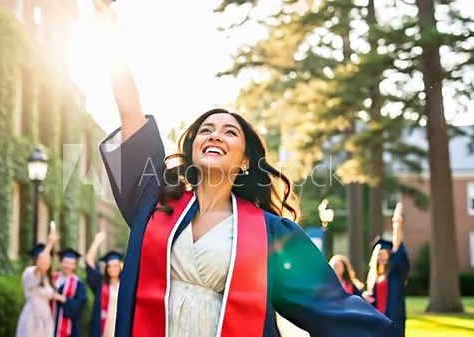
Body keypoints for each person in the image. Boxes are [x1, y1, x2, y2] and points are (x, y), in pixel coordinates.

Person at [94, 2, 391, 337]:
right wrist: (107, 27)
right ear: (192, 148)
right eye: (206, 130)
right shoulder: (156, 203)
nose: (215, 135)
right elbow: (131, 112)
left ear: (246, 160)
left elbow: (331, 307)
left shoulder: (269, 233)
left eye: (229, 132)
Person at [362, 203, 410, 337]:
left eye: (384, 253)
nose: (381, 256)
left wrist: (397, 225)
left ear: (389, 256)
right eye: (378, 254)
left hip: (392, 321)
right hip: (378, 322)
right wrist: (365, 296)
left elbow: (399, 252)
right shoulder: (375, 277)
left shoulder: (396, 273)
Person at [16, 232, 64, 337]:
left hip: (46, 316)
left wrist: (61, 298)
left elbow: (49, 293)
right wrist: (50, 244)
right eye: (43, 258)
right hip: (32, 316)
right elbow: (41, 266)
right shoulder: (30, 273)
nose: (47, 261)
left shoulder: (48, 278)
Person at [85, 231, 123, 337]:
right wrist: (97, 241)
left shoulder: (126, 284)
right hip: (104, 327)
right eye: (109, 266)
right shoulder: (100, 284)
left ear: (120, 267)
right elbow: (89, 261)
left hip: (121, 325)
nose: (112, 269)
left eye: (115, 265)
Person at [52, 248, 88, 337]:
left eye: (71, 264)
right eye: (66, 263)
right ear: (61, 263)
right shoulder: (52, 278)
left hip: (70, 327)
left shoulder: (78, 283)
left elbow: (80, 305)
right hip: (48, 322)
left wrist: (64, 299)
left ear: (74, 266)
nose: (68, 266)